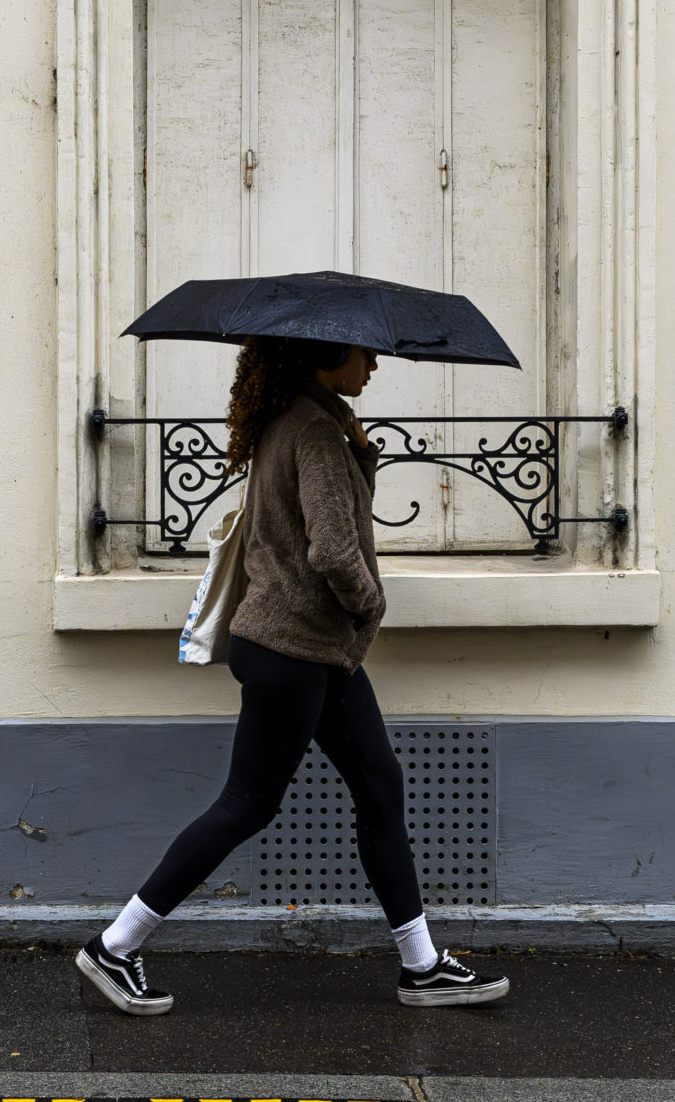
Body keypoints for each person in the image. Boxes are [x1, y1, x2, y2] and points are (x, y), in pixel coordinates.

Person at [77, 336, 511, 1016]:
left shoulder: (306, 421)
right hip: (293, 650)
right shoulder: (311, 428)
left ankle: (421, 965)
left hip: (312, 650)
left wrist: (358, 454)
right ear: (325, 354)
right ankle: (115, 944)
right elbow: (334, 549)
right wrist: (373, 603)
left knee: (379, 784)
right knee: (247, 804)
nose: (375, 364)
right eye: (364, 354)